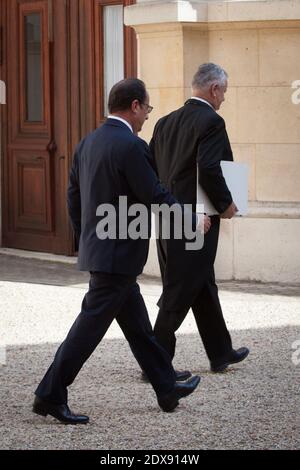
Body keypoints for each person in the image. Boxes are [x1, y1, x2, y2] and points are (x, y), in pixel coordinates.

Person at [32, 78, 203, 424]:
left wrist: (89, 238)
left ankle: (166, 387)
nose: (146, 119)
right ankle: (49, 394)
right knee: (88, 329)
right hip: (118, 254)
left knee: (138, 326)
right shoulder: (131, 146)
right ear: (135, 106)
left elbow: (73, 198)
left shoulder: (87, 143)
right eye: (147, 110)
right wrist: (191, 219)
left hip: (106, 251)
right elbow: (154, 194)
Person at [150, 63, 249, 373]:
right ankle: (154, 361)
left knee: (201, 281)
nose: (224, 99)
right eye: (224, 92)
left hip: (168, 218)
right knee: (179, 289)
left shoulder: (164, 123)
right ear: (214, 89)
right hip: (196, 221)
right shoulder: (212, 122)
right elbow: (209, 169)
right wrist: (226, 204)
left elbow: (150, 169)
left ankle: (220, 351)